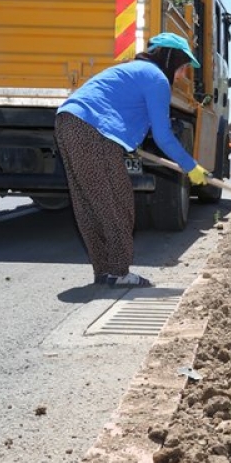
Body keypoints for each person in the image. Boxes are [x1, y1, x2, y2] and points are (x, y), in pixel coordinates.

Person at [54, 32, 210, 288]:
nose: (182, 75)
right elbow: (163, 135)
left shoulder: (134, 70)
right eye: (182, 68)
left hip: (68, 122)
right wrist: (191, 166)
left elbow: (120, 111)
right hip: (91, 130)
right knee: (118, 201)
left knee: (91, 203)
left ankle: (105, 271)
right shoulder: (157, 78)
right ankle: (118, 272)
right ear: (170, 59)